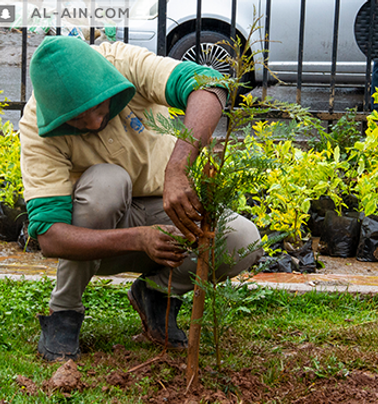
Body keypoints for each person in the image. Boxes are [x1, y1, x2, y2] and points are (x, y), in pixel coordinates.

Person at [19, 36, 262, 361]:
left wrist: (179, 167)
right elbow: (50, 237)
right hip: (102, 231)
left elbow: (211, 85)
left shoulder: (123, 64)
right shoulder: (39, 126)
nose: (93, 123)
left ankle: (157, 293)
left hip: (167, 208)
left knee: (242, 240)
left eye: (96, 106)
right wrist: (139, 238)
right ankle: (64, 311)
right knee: (107, 183)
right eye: (76, 120)